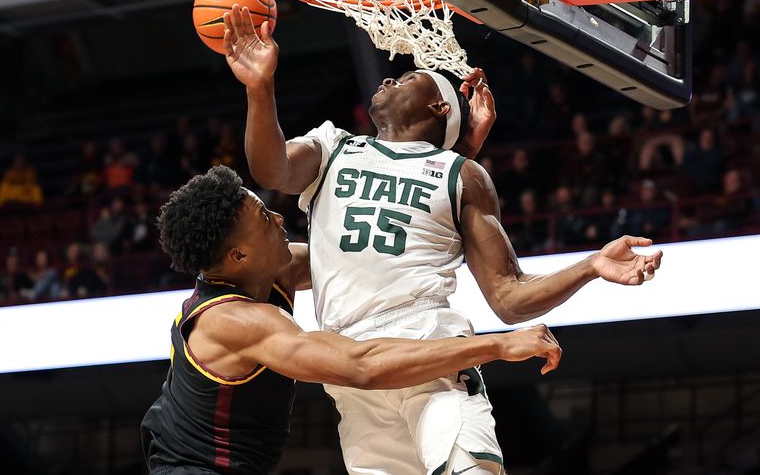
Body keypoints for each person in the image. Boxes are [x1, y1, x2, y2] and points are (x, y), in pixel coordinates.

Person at [224, 5, 663, 475]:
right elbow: (271, 170)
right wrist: (259, 87)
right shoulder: (335, 146)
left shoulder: (463, 175)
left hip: (430, 353)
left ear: (438, 107)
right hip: (352, 369)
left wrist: (591, 265)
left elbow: (508, 297)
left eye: (410, 77)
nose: (391, 79)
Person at [141, 165, 563, 475]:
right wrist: (497, 345)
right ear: (239, 256)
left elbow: (375, 249)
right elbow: (360, 365)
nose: (280, 219)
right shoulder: (233, 322)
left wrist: (453, 165)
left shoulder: (268, 271)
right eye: (265, 220)